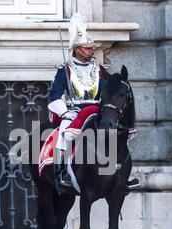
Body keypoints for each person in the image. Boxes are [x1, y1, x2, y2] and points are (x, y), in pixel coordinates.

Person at [48, 13, 110, 194]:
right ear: (77, 49)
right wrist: (64, 112)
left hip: (98, 110)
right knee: (63, 133)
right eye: (87, 48)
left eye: (92, 48)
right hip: (75, 111)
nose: (92, 51)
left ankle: (121, 173)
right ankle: (60, 173)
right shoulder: (65, 70)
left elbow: (106, 92)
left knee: (117, 131)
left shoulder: (98, 70)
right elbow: (55, 95)